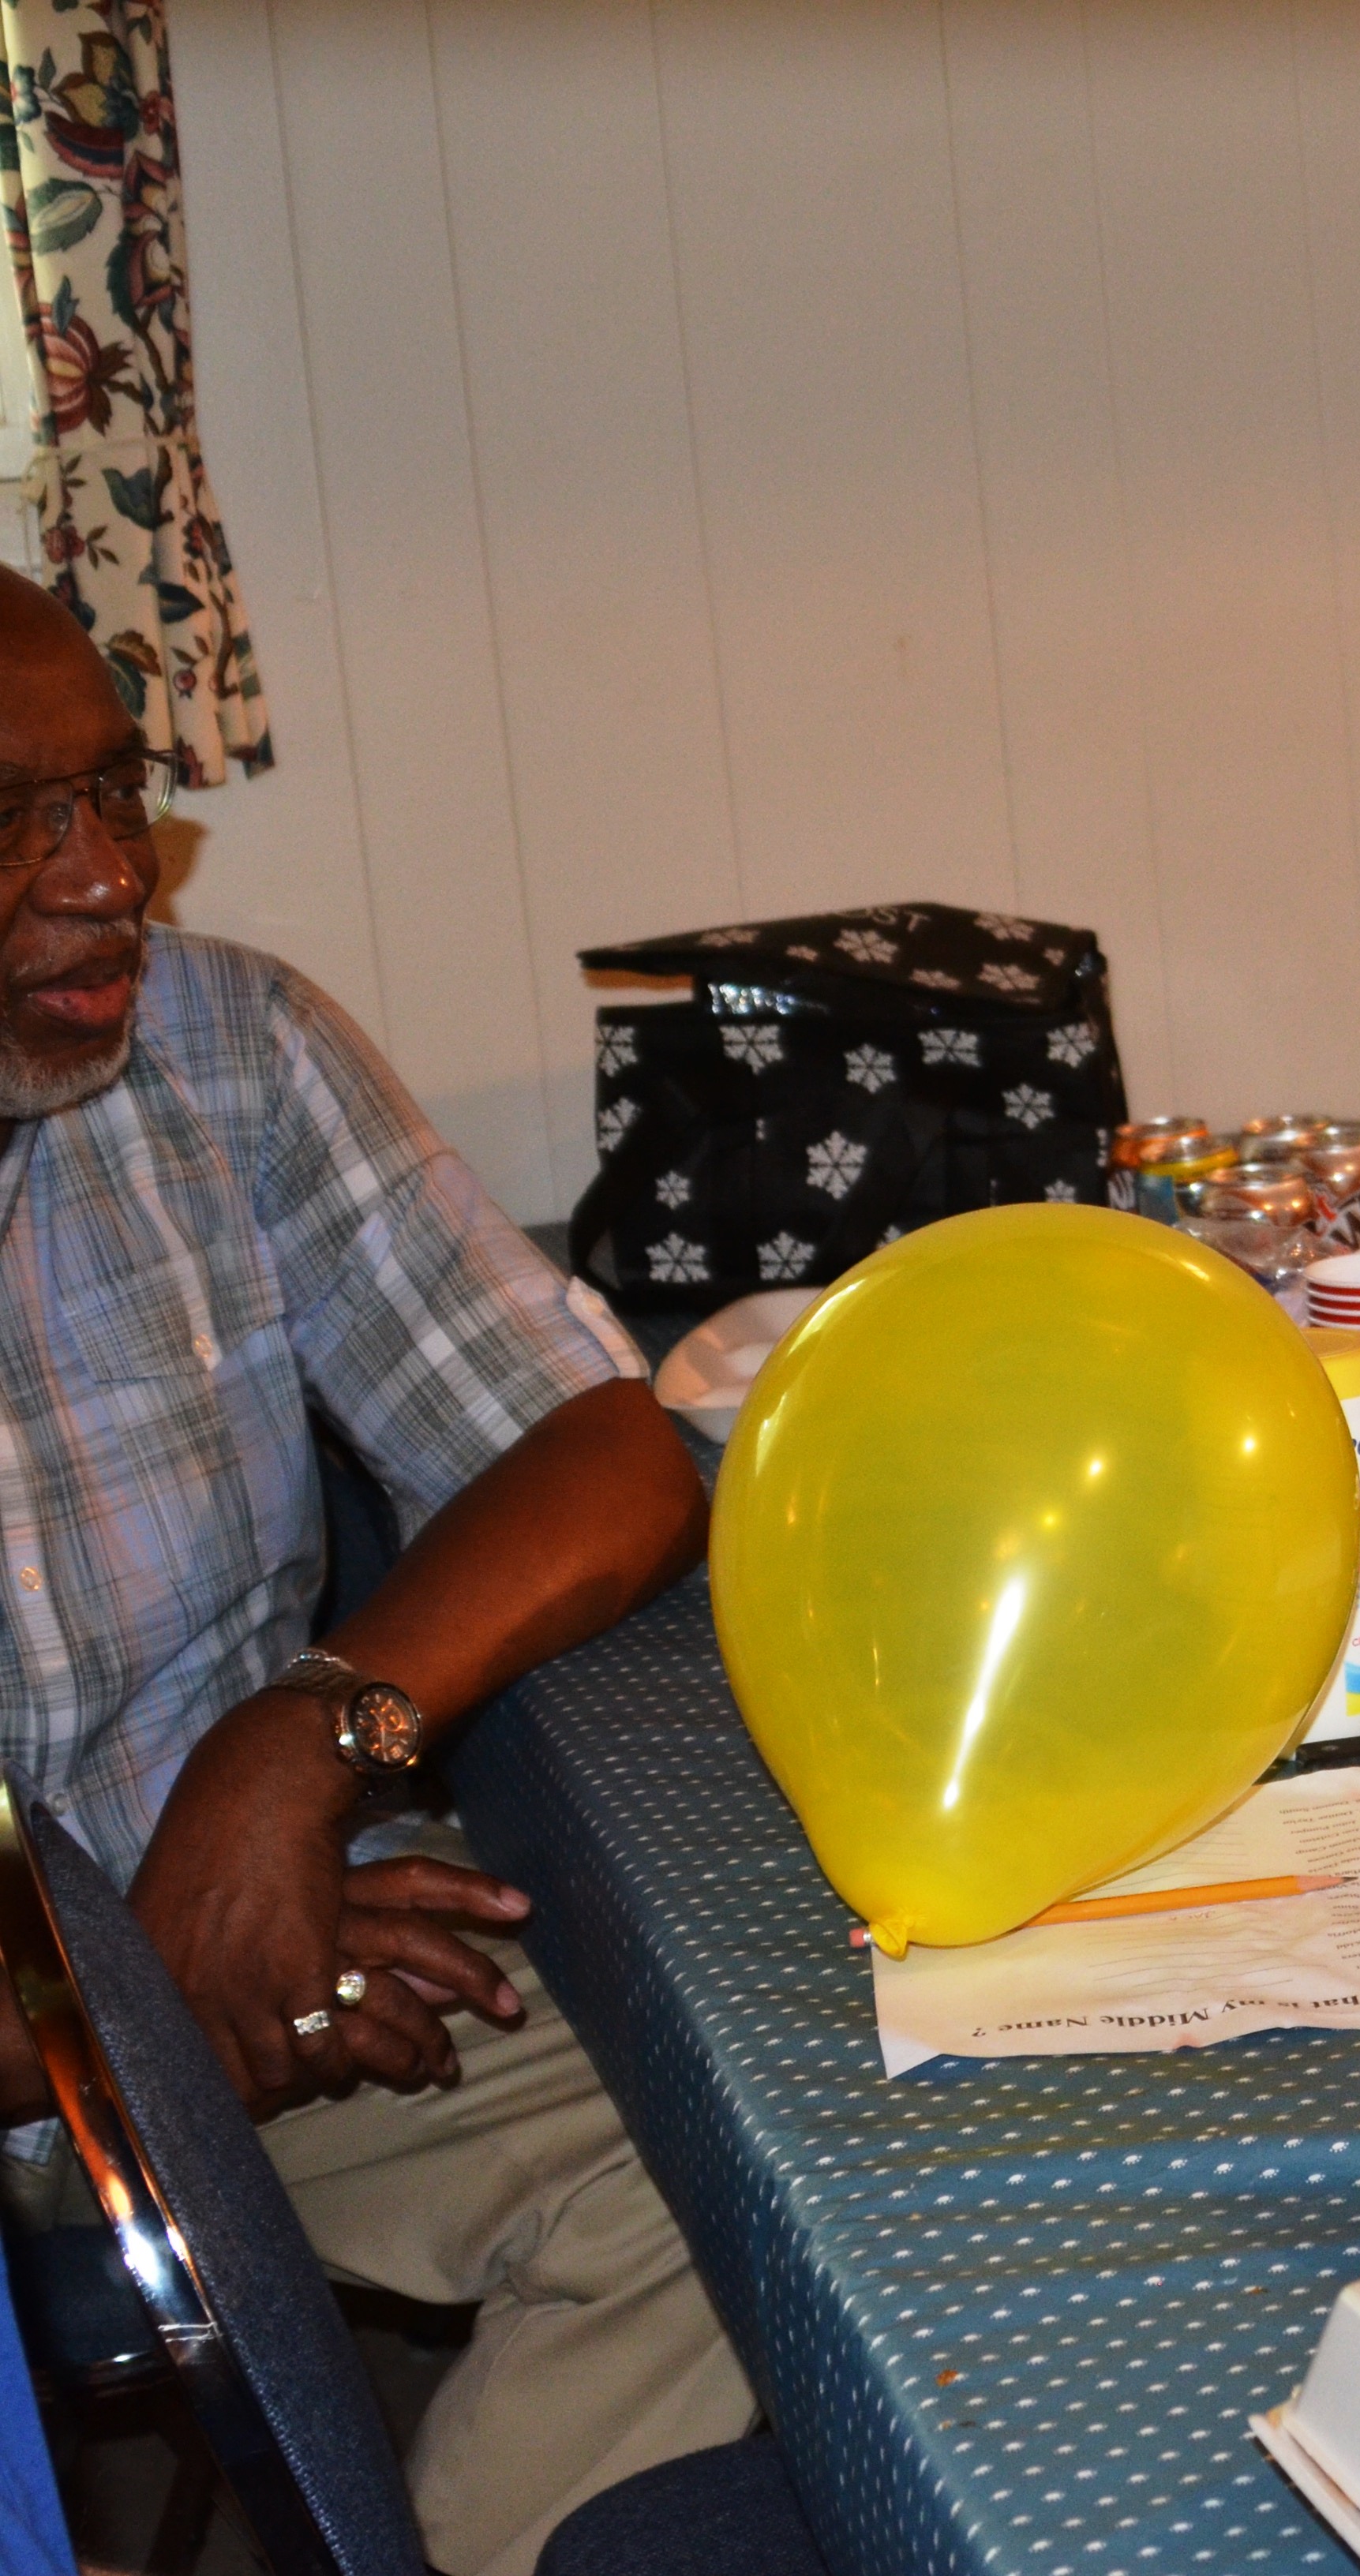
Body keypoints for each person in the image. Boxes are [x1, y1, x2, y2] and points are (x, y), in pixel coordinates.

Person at [0, 571, 756, 2571]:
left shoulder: (225, 1048)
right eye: (9, 823)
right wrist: (154, 1989)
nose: (104, 880)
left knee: (731, 2177)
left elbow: (600, 1453)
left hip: (266, 1934)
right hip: (100, 2016)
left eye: (113, 794)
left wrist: (302, 1739)